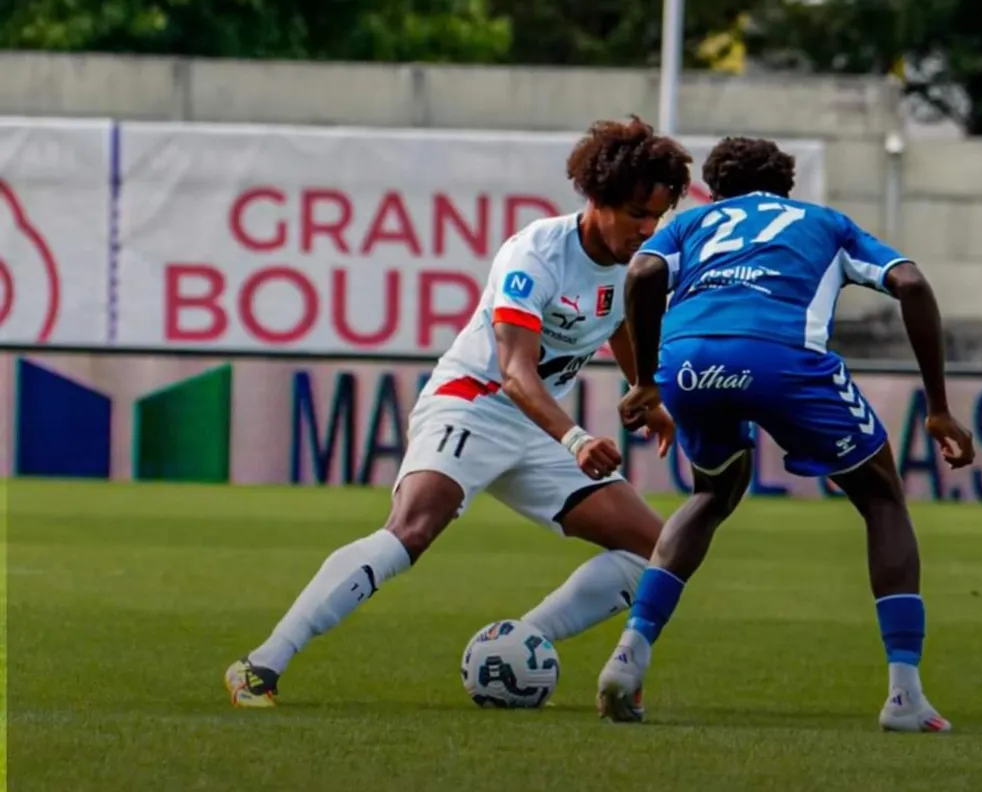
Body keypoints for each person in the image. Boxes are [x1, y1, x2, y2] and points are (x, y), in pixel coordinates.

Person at [225, 117, 694, 708]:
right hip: (472, 404)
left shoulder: (637, 264)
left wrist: (645, 391)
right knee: (412, 530)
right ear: (598, 198)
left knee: (656, 550)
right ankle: (262, 664)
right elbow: (515, 372)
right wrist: (576, 439)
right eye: (635, 213)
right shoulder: (535, 254)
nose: (647, 228)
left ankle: (522, 642)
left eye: (657, 216)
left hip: (536, 427)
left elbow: (619, 320)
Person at [594, 136, 976, 732]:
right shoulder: (824, 222)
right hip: (782, 359)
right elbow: (912, 283)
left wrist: (645, 381)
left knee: (711, 493)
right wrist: (940, 408)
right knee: (881, 498)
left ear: (716, 191)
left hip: (690, 363)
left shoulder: (691, 223)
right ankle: (904, 695)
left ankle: (629, 654)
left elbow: (642, 271)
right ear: (785, 190)